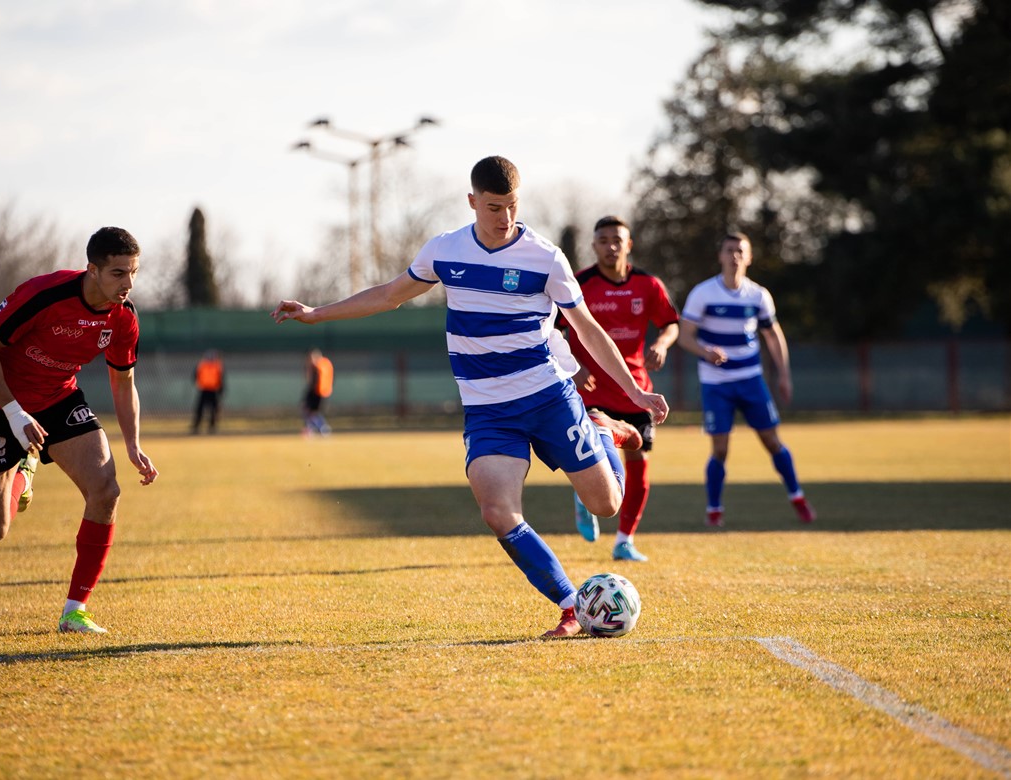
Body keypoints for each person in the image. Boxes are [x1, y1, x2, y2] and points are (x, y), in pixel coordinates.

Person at [272, 156, 668, 638]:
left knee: (607, 505)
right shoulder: (445, 250)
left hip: (548, 397)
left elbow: (588, 329)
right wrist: (316, 314)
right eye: (494, 207)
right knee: (498, 513)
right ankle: (570, 606)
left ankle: (603, 428)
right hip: (487, 410)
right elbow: (388, 295)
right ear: (472, 202)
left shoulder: (544, 258)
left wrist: (634, 392)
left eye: (512, 206)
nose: (504, 218)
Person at [0, 226, 159, 634]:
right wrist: (15, 414)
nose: (128, 283)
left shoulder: (124, 318)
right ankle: (25, 468)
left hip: (57, 399)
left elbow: (123, 382)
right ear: (92, 269)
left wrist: (133, 444)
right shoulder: (43, 294)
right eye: (118, 273)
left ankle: (75, 610)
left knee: (106, 490)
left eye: (133, 273)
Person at [677, 230, 815, 527]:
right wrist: (705, 352)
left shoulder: (758, 295)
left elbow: (772, 334)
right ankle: (714, 511)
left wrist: (784, 374)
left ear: (749, 257)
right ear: (720, 256)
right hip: (716, 382)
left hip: (751, 378)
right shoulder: (703, 293)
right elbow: (684, 336)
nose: (735, 256)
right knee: (720, 449)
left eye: (741, 251)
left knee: (772, 441)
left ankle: (798, 497)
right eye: (729, 250)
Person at [563, 216, 680, 561]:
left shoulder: (648, 284)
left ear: (629, 245)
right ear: (594, 245)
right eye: (603, 240)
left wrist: (663, 343)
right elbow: (553, 329)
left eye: (617, 239)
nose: (610, 245)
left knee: (638, 461)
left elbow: (671, 323)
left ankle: (624, 541)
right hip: (593, 391)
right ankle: (587, 498)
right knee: (595, 456)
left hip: (635, 390)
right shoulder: (579, 283)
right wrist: (576, 367)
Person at [192, 349, 225, 434]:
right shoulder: (202, 365)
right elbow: (195, 375)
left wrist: (221, 389)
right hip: (204, 389)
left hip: (213, 390)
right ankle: (196, 426)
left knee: (213, 410)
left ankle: (212, 426)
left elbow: (221, 378)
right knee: (200, 409)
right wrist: (198, 383)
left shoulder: (217, 366)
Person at [303, 348, 334, 436]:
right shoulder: (326, 364)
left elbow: (313, 382)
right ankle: (313, 428)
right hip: (324, 391)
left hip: (317, 392)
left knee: (311, 412)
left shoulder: (317, 367)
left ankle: (320, 428)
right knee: (312, 412)